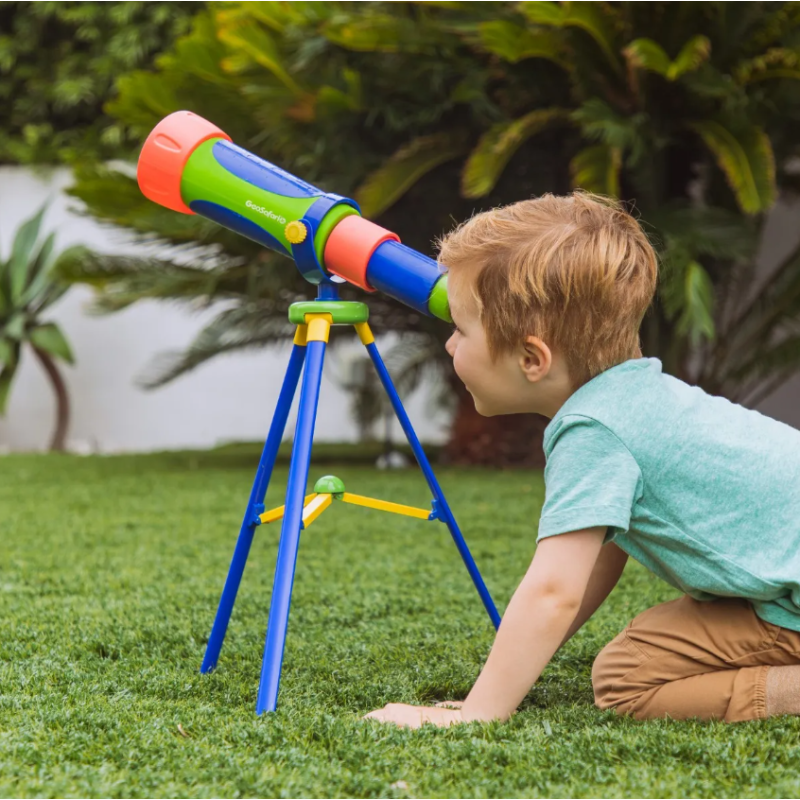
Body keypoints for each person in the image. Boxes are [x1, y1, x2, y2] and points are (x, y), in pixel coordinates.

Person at [364, 192, 800, 728]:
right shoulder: (638, 397)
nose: (451, 346)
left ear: (531, 358)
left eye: (460, 329)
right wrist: (518, 662)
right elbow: (599, 558)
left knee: (625, 678)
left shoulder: (594, 431)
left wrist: (478, 713)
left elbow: (554, 590)